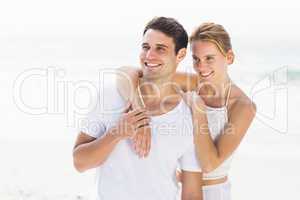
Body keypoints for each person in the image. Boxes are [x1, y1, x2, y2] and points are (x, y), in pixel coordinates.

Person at [117, 22, 256, 200]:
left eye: (209, 58)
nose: (201, 67)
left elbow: (209, 164)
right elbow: (124, 74)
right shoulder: (191, 82)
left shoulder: (243, 106)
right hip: (176, 189)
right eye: (196, 59)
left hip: (212, 193)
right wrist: (140, 114)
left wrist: (199, 112)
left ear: (229, 57)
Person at [73, 17, 203, 200]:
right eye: (146, 47)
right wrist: (117, 133)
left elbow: (191, 192)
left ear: (180, 55)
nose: (149, 56)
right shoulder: (111, 95)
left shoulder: (189, 115)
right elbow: (80, 163)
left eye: (160, 49)